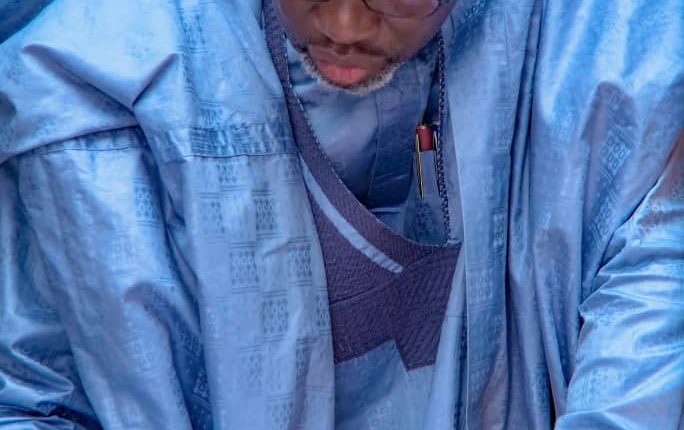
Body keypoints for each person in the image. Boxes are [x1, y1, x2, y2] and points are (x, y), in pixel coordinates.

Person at [0, 0, 681, 428]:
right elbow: (35, 391)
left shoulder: (623, 64)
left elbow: (648, 338)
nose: (346, 27)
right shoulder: (91, 91)